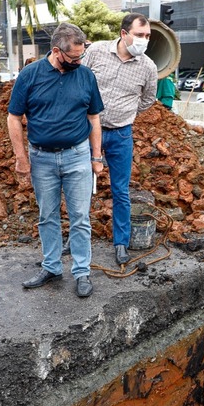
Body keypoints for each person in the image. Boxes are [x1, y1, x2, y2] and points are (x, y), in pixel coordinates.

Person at [8, 23, 104, 298]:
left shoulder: (86, 76)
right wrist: (20, 158)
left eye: (81, 55)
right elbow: (14, 117)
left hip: (77, 156)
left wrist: (96, 157)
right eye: (73, 57)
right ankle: (51, 266)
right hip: (42, 159)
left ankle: (82, 270)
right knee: (47, 215)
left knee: (80, 217)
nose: (78, 61)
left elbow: (94, 118)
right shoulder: (30, 75)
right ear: (56, 51)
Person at [83, 13, 158, 265]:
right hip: (85, 131)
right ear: (124, 34)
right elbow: (79, 78)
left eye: (147, 36)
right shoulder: (96, 51)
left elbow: (148, 100)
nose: (144, 40)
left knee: (120, 190)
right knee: (79, 188)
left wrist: (126, 112)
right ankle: (78, 240)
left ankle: (121, 243)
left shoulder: (148, 67)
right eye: (139, 35)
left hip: (121, 134)